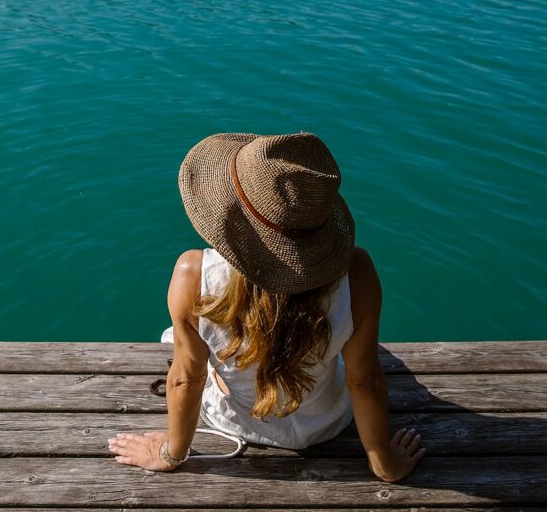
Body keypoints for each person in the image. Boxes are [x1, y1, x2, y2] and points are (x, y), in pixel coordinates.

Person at [107, 132, 426, 482]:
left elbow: (187, 378)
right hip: (326, 424)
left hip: (235, 421)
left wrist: (171, 455)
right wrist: (385, 464)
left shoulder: (193, 274)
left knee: (182, 335)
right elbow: (365, 381)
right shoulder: (357, 273)